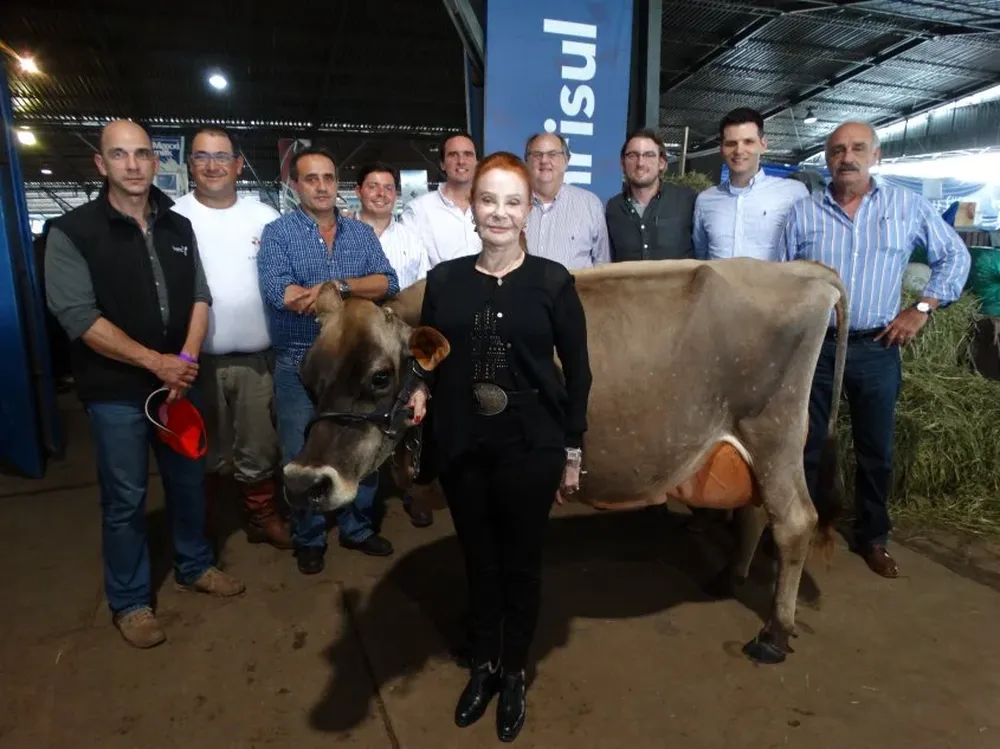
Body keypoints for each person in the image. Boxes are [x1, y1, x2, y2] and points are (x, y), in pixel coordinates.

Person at [407, 151, 592, 742]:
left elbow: (580, 373)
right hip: (463, 444)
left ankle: (514, 673)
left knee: (521, 564)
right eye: (488, 199)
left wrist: (572, 451)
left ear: (527, 210)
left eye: (513, 202)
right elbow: (428, 352)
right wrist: (419, 388)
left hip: (531, 448)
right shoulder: (445, 280)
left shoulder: (553, 282)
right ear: (473, 205)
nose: (499, 212)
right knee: (478, 561)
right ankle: (483, 666)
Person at [44, 120, 245, 649]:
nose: (132, 165)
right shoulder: (73, 232)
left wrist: (185, 360)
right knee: (125, 498)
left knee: (188, 481)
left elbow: (200, 296)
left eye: (141, 154)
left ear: (156, 162)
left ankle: (194, 565)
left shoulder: (177, 226)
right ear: (100, 163)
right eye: (119, 154)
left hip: (179, 385)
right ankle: (131, 602)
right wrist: (157, 363)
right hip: (116, 392)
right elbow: (78, 316)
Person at [783, 121, 970, 578]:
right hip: (816, 348)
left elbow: (955, 256)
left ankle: (873, 536)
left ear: (876, 155)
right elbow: (782, 278)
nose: (846, 157)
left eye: (857, 148)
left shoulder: (907, 207)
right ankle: (804, 528)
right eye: (837, 150)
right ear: (827, 158)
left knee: (876, 448)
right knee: (807, 443)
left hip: (876, 346)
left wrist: (922, 307)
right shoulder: (803, 213)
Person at [257, 146, 400, 575]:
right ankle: (310, 537)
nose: (321, 187)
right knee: (303, 449)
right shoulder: (279, 233)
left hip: (355, 366)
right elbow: (280, 293)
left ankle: (357, 527)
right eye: (311, 178)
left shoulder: (360, 233)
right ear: (294, 185)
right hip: (302, 362)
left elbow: (388, 281)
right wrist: (347, 293)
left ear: (337, 184)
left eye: (328, 178)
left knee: (362, 444)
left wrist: (336, 287)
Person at [172, 126, 289, 549]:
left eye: (221, 156)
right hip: (193, 362)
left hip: (257, 359)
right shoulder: (172, 217)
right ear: (190, 165)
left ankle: (261, 515)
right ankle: (203, 526)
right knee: (200, 449)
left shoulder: (264, 217)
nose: (212, 165)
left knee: (258, 445)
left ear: (238, 165)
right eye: (202, 156)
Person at [354, 160, 434, 528]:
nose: (381, 194)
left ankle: (413, 491)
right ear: (359, 191)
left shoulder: (411, 238)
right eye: (373, 186)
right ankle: (361, 506)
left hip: (403, 343)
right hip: (360, 346)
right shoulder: (345, 234)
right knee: (361, 420)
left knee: (411, 420)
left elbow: (424, 292)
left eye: (388, 187)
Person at [693, 108, 808, 261]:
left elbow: (806, 251)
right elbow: (701, 255)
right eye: (731, 143)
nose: (739, 150)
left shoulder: (793, 193)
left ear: (763, 144)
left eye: (748, 142)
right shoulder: (705, 200)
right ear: (721, 148)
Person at [605, 129, 696, 261]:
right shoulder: (613, 208)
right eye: (632, 155)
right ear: (623, 164)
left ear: (661, 163)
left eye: (649, 155)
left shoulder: (687, 201)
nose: (640, 163)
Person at [522, 132, 610, 269]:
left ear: (566, 161)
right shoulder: (512, 204)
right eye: (537, 154)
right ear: (526, 162)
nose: (544, 160)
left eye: (552, 154)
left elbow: (602, 265)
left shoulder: (590, 205)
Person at [400, 132, 481, 266]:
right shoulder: (418, 210)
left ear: (477, 162)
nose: (461, 161)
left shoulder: (492, 207)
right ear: (442, 164)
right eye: (453, 155)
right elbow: (407, 264)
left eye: (468, 154)